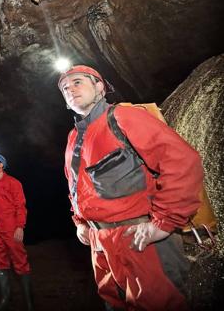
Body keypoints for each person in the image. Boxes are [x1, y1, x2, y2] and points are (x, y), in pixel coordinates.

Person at [58, 65, 203, 310]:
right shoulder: (73, 139)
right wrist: (81, 223)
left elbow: (182, 161)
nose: (70, 89)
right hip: (101, 245)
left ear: (100, 87)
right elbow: (77, 187)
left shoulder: (123, 118)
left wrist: (164, 223)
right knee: (114, 303)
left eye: (78, 82)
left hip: (140, 239)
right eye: (64, 88)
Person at [0, 152, 33, 311]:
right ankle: (5, 298)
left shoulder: (13, 182)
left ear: (1, 164)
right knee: (0, 262)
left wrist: (20, 226)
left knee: (20, 261)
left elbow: (20, 206)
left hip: (11, 228)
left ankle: (29, 302)